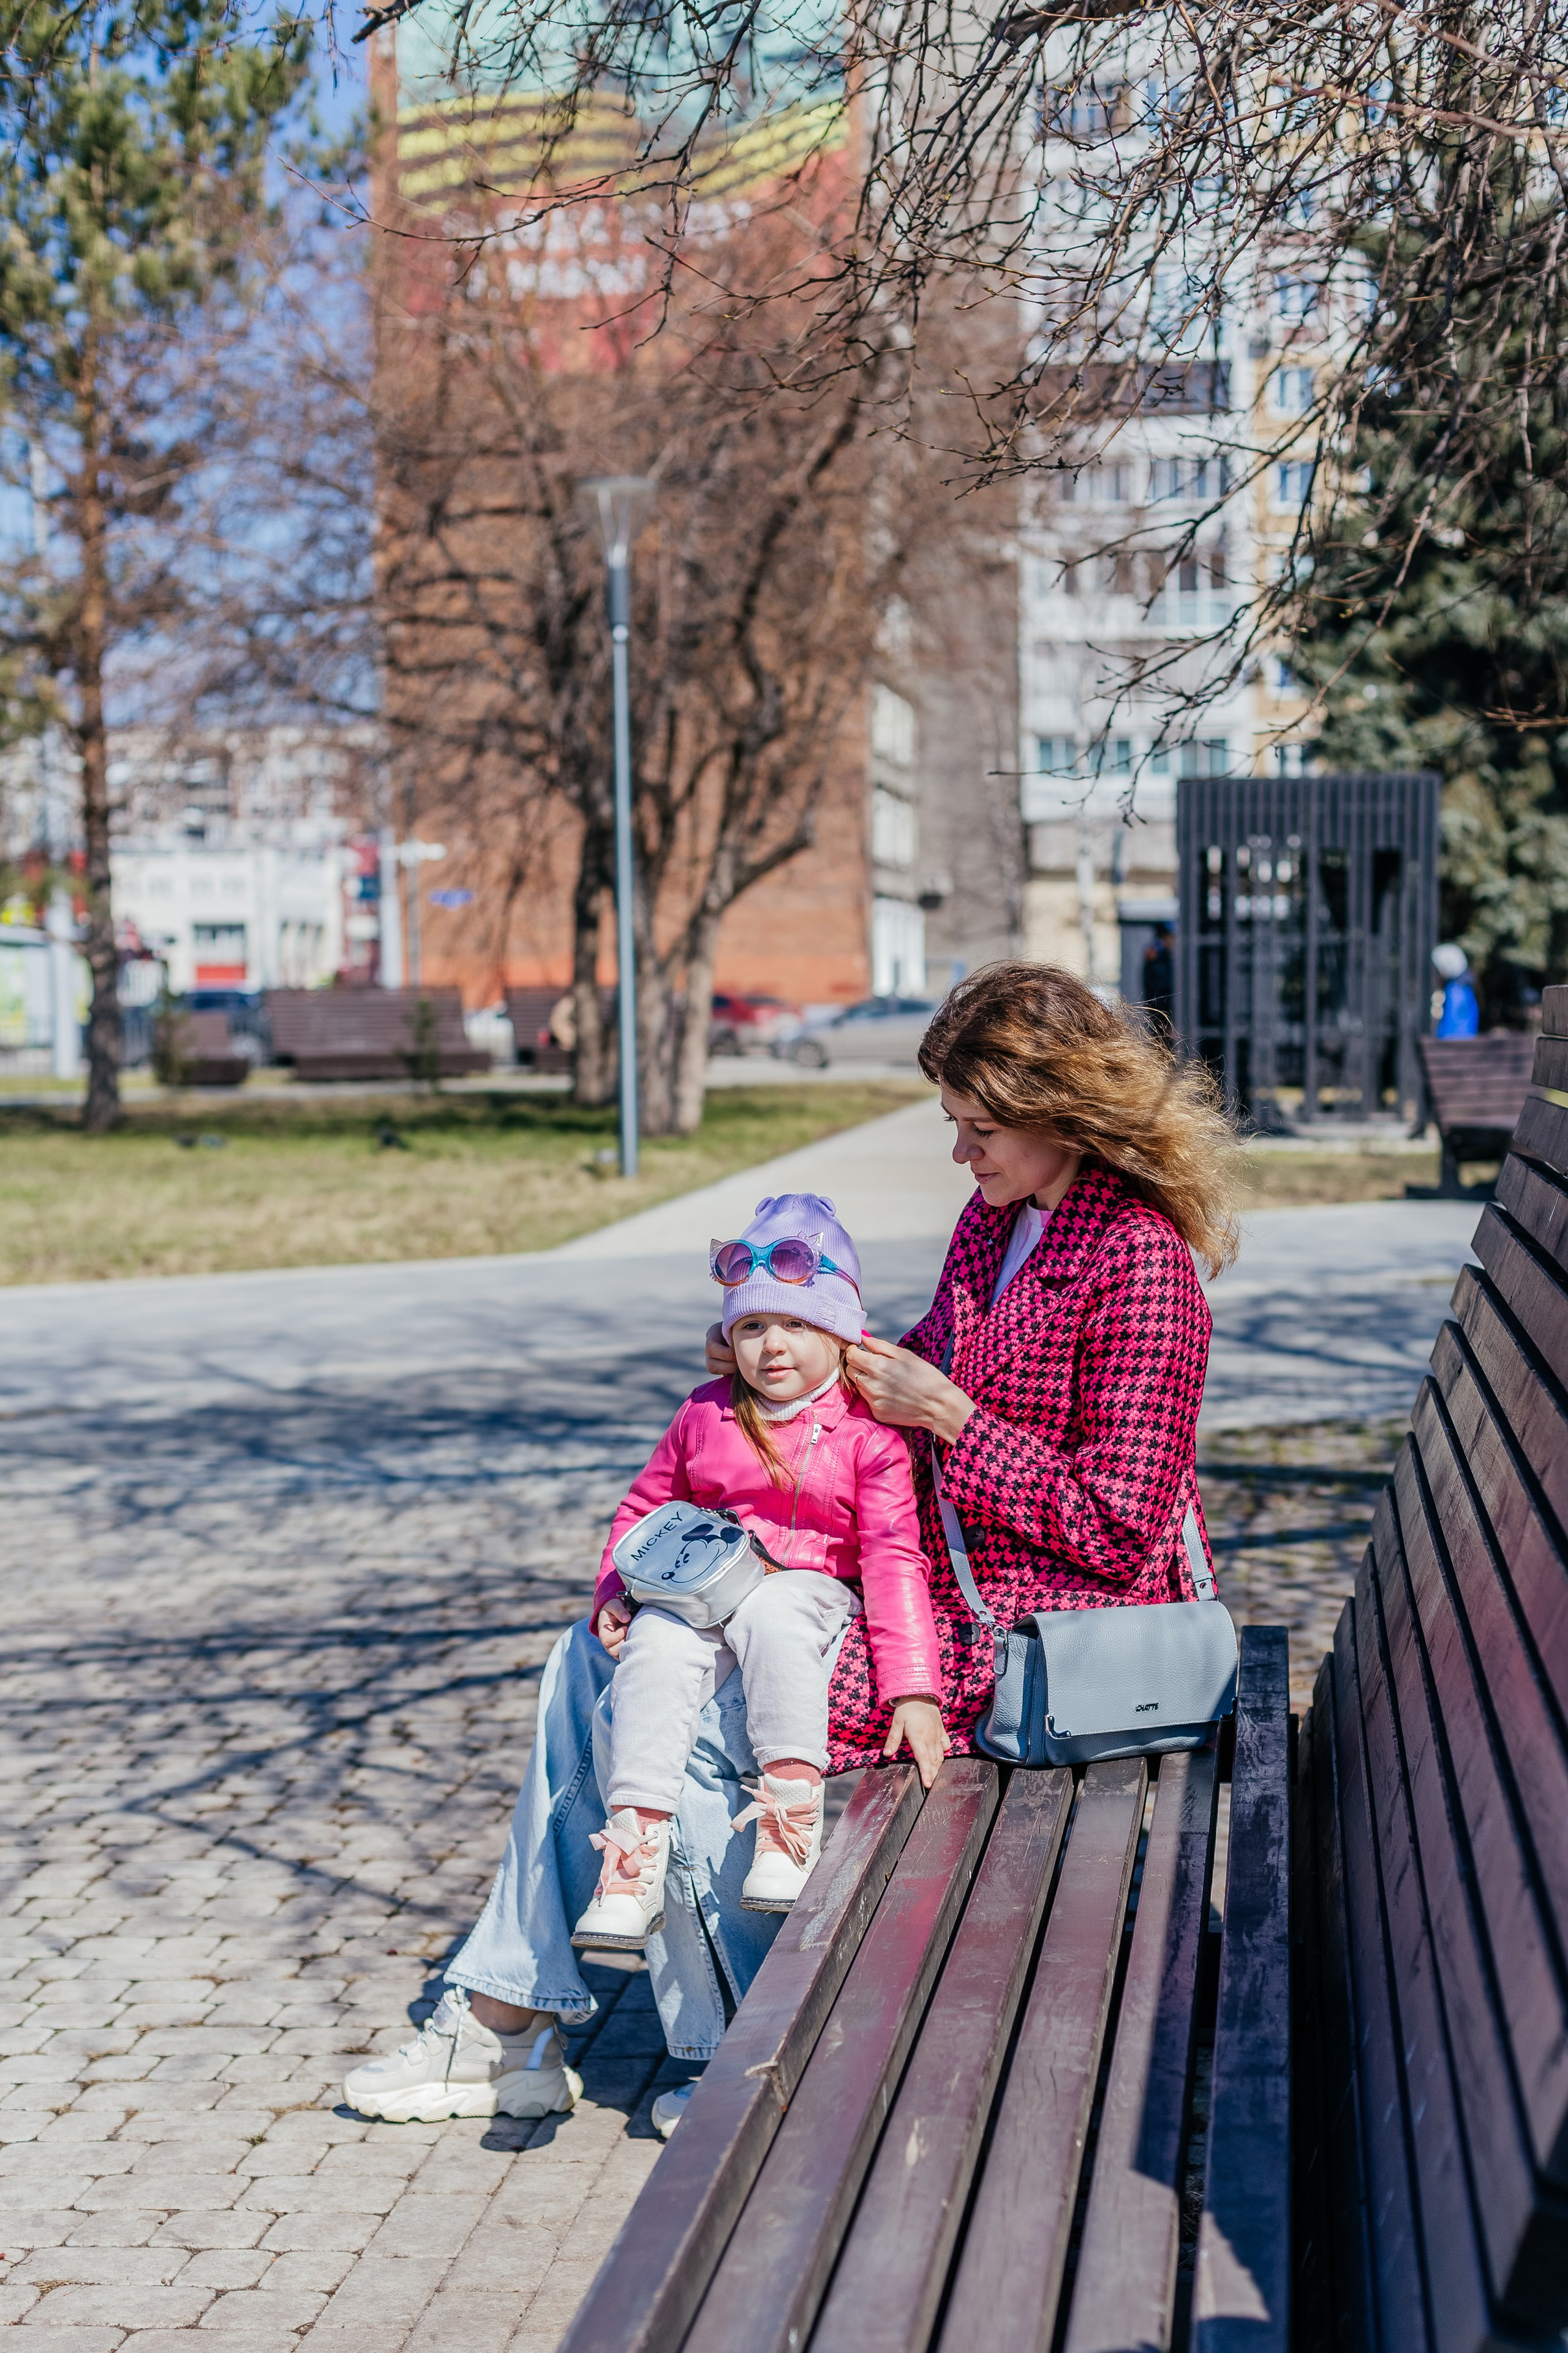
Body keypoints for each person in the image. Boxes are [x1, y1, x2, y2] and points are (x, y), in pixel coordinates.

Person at [342, 960, 1239, 2137]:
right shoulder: (1003, 1219)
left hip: (1035, 1629)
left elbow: (1122, 1533)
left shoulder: (1142, 1262)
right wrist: (795, 1366)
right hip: (943, 1573)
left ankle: (734, 2045)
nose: (961, 1157)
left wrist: (953, 1419)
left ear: (1057, 1111)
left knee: (681, 1711)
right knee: (591, 1650)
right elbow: (905, 1366)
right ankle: (509, 2013)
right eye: (954, 1128)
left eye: (978, 1129)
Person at [568, 1194, 947, 1949]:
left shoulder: (867, 1434)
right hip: (705, 1588)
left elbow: (894, 1557)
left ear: (841, 1331)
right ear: (726, 1336)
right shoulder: (706, 1413)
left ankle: (787, 1818)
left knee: (774, 1612)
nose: (773, 1346)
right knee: (656, 1643)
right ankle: (634, 1848)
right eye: (751, 1326)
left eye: (797, 1324)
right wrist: (616, 1589)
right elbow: (647, 1503)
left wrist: (913, 1686)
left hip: (811, 1593)